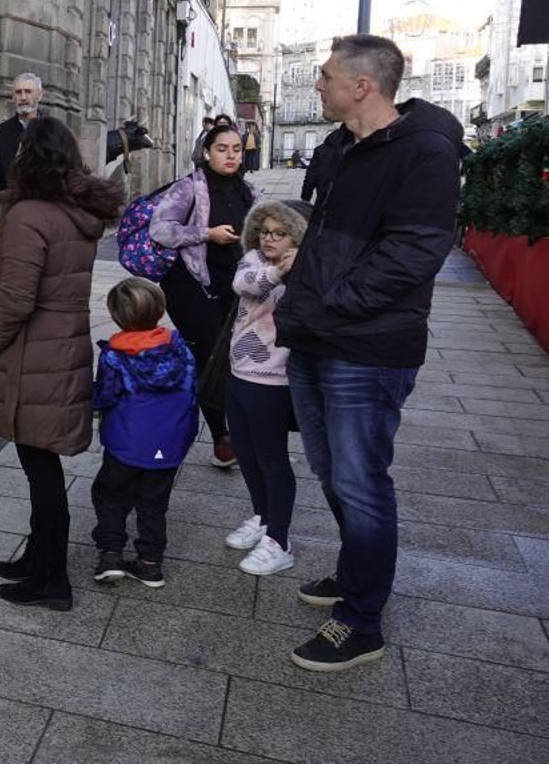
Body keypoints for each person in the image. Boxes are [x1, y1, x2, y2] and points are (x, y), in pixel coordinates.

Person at [275, 34, 465, 672]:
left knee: (360, 481)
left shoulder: (425, 151)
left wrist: (333, 301)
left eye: (326, 76)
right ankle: (357, 570)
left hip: (367, 347)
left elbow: (415, 252)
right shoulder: (338, 146)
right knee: (332, 473)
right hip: (316, 334)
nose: (317, 85)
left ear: (362, 85)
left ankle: (361, 621)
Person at [0, 117, 124, 610]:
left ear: (29, 156)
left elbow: (14, 300)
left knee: (41, 468)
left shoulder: (30, 215)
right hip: (58, 350)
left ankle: (52, 579)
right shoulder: (74, 211)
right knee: (39, 465)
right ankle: (38, 558)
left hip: (34, 356)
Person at [149, 124, 258, 469]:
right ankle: (221, 437)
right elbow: (160, 230)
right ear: (207, 152)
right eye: (222, 149)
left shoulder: (249, 191)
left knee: (229, 357)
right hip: (190, 286)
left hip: (235, 287)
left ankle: (231, 427)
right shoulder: (188, 187)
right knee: (211, 356)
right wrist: (206, 234)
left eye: (236, 149)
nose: (231, 155)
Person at [89, 277, 198, 589]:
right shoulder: (180, 350)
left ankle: (110, 555)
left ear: (116, 316)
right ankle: (150, 562)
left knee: (110, 495)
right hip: (169, 443)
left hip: (126, 442)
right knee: (154, 502)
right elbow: (191, 391)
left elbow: (106, 395)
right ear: (159, 309)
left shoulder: (115, 356)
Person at [224, 198, 311, 576]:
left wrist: (297, 269)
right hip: (238, 374)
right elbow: (243, 284)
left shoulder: (308, 268)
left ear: (298, 237)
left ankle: (279, 539)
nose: (269, 239)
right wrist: (278, 271)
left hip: (274, 381)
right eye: (264, 231)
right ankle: (262, 517)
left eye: (280, 233)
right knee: (245, 453)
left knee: (272, 459)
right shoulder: (254, 261)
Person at [0, 72, 43, 225]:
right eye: (18, 92)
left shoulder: (54, 131)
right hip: (11, 218)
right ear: (12, 97)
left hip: (47, 216)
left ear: (39, 95)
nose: (23, 97)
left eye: (28, 91)